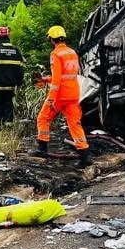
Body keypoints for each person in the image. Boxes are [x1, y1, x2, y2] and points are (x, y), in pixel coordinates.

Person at [34, 25, 90, 167]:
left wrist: (51, 98)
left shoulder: (56, 54)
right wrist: (46, 79)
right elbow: (67, 75)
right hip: (74, 94)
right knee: (75, 124)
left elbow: (58, 79)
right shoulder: (72, 52)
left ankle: (42, 149)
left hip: (60, 95)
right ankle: (84, 156)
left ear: (52, 39)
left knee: (43, 118)